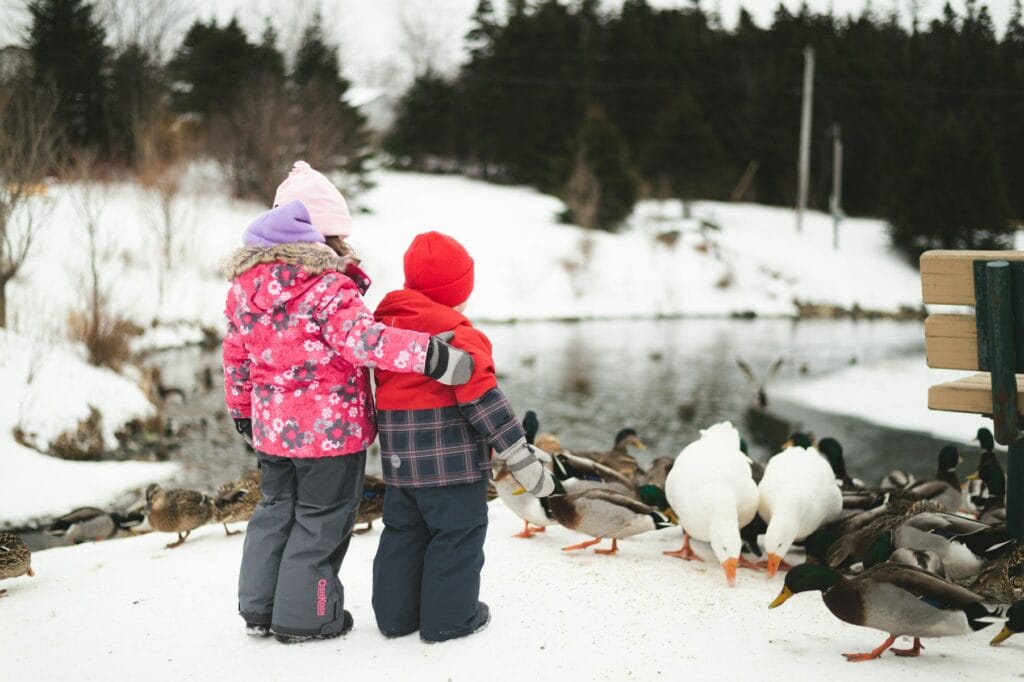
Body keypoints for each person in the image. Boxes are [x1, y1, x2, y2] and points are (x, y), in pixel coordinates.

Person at [222, 163, 473, 644]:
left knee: (275, 510)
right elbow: (364, 341)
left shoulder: (245, 288)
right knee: (321, 520)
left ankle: (259, 607)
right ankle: (308, 616)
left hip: (271, 430)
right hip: (330, 435)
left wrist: (242, 410)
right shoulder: (327, 287)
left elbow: (235, 356)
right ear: (325, 233)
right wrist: (431, 355)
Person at [370, 231, 553, 643]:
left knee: (402, 534)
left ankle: (396, 619)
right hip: (453, 466)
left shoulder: (384, 334)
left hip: (400, 465)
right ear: (457, 293)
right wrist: (517, 452)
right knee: (457, 536)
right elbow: (483, 401)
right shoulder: (461, 336)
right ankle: (449, 621)